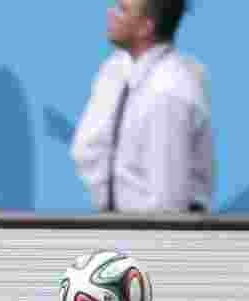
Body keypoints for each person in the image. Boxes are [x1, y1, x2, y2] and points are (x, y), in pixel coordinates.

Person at [71, 0, 213, 213]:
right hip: (119, 222)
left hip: (153, 228)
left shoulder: (169, 91)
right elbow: (88, 150)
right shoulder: (114, 72)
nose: (111, 13)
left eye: (123, 10)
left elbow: (168, 202)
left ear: (145, 27)